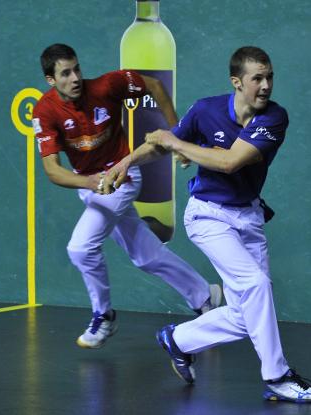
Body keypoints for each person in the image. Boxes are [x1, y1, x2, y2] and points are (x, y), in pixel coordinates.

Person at [104, 46, 311, 403]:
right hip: (208, 216)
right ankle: (278, 376)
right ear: (237, 82)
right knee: (255, 285)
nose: (266, 85)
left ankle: (177, 340)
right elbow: (161, 145)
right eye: (258, 78)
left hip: (248, 217)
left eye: (270, 77)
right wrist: (126, 162)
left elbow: (230, 162)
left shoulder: (274, 118)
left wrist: (177, 143)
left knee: (245, 314)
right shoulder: (205, 109)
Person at [31, 43, 221, 349]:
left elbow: (155, 85)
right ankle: (204, 295)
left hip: (123, 176)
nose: (75, 77)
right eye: (65, 73)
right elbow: (53, 171)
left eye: (77, 68)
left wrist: (177, 135)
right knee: (146, 255)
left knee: (80, 248)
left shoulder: (108, 85)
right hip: (93, 186)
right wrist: (91, 184)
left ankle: (104, 316)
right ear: (51, 80)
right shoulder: (45, 111)